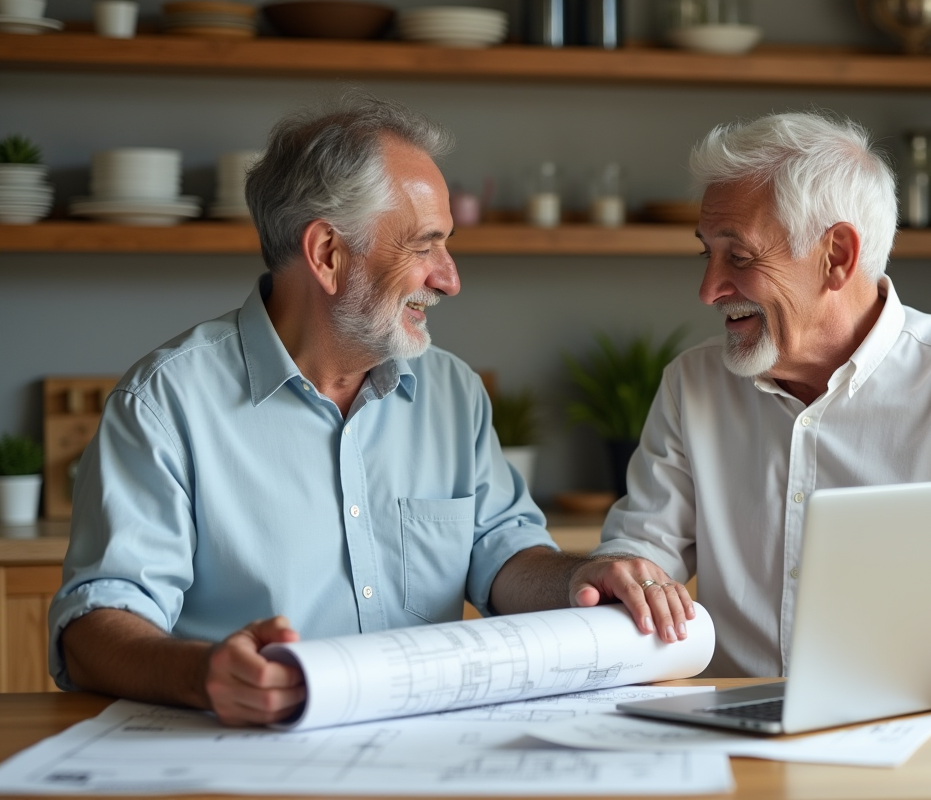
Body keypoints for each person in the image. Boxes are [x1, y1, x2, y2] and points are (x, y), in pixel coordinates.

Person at [47, 95, 635, 726]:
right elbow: (93, 628)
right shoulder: (164, 403)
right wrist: (205, 676)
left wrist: (582, 577)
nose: (449, 278)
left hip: (426, 747)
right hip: (249, 750)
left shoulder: (453, 392)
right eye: (424, 247)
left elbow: (502, 556)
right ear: (327, 253)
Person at [576, 111, 931, 721]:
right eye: (706, 254)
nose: (709, 288)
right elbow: (638, 559)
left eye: (738, 256)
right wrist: (619, 575)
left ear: (837, 256)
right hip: (735, 744)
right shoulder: (690, 386)